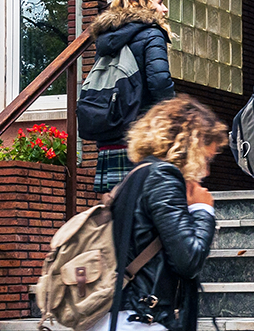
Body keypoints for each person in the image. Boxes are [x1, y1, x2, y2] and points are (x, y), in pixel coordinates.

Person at [89, 94, 222, 331]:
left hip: (126, 315)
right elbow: (188, 260)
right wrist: (203, 209)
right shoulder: (164, 177)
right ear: (190, 145)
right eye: (206, 158)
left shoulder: (138, 175)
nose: (207, 171)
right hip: (144, 318)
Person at [88, 0, 176, 193]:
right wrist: (174, 113)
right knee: (151, 198)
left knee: (116, 203)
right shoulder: (153, 34)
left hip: (112, 131)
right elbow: (159, 82)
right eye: (160, 2)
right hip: (142, 132)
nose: (164, 9)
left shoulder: (107, 39)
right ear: (144, 6)